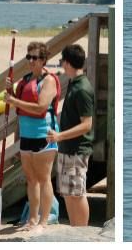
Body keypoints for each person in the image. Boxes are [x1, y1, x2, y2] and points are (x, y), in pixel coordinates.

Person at [4, 41, 60, 234]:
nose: (31, 61)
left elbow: (40, 107)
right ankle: (32, 218)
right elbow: (19, 107)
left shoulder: (49, 80)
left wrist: (13, 100)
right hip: (26, 136)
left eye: (35, 58)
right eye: (29, 57)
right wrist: (10, 92)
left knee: (44, 179)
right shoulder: (26, 79)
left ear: (44, 59)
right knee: (31, 179)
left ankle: (44, 220)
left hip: (44, 135)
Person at [47, 45, 95, 227]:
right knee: (68, 192)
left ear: (67, 62)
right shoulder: (75, 83)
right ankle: (76, 230)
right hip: (67, 148)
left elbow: (86, 124)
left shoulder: (82, 88)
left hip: (77, 150)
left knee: (77, 193)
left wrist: (60, 136)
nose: (61, 64)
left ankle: (81, 232)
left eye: (61, 61)